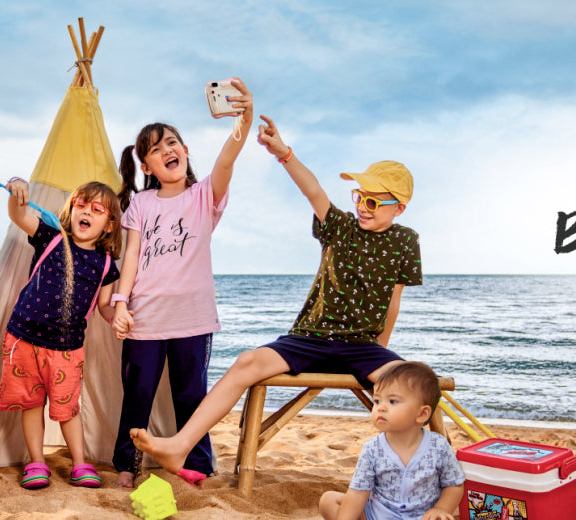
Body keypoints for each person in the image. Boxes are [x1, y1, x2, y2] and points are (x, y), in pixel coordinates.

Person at [131, 115, 424, 479]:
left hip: (363, 346)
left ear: (399, 208)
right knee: (245, 364)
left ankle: (408, 472)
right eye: (360, 197)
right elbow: (313, 190)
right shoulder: (340, 226)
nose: (363, 206)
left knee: (414, 383)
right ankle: (180, 445)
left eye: (374, 202)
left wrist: (379, 352)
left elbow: (393, 301)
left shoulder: (405, 241)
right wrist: (283, 153)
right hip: (310, 338)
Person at [108, 78, 255, 488]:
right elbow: (132, 255)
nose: (166, 150)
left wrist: (242, 121)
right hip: (145, 318)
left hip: (192, 319)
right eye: (155, 149)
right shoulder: (140, 203)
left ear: (185, 151)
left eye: (172, 142)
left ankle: (199, 466)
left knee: (191, 398)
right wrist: (121, 304)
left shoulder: (204, 195)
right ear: (146, 166)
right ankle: (126, 463)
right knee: (136, 397)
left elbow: (227, 160)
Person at [0, 177, 122, 489]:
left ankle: (79, 463)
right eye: (81, 205)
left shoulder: (106, 264)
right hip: (23, 339)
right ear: (70, 210)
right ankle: (37, 462)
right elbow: (19, 216)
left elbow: (104, 306)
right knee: (30, 403)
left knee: (68, 409)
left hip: (67, 348)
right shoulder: (51, 237)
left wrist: (117, 316)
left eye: (97, 209)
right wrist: (16, 192)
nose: (87, 212)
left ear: (109, 225)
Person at [319, 361, 463, 520]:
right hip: (375, 519)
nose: (381, 407)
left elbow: (454, 484)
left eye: (392, 401)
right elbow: (357, 493)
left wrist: (441, 509)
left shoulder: (438, 446)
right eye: (377, 400)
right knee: (328, 500)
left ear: (422, 414)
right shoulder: (372, 448)